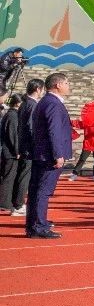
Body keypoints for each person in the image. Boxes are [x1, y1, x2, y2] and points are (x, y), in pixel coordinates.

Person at [26, 72, 73, 239]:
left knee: (37, 190)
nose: (68, 86)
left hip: (42, 153)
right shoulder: (53, 103)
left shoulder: (46, 101)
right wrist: (58, 154)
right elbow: (54, 131)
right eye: (67, 83)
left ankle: (35, 223)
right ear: (58, 85)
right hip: (48, 155)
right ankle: (39, 226)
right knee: (43, 191)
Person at [8, 80, 43, 215]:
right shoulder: (31, 104)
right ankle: (18, 205)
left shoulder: (25, 104)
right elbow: (30, 127)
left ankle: (16, 203)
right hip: (29, 147)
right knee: (24, 176)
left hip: (24, 145)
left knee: (22, 174)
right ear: (38, 89)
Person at [0, 93, 24, 212]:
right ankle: (4, 202)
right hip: (10, 153)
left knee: (9, 176)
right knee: (8, 177)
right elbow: (13, 135)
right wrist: (17, 150)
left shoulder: (11, 115)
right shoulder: (13, 116)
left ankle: (6, 201)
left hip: (8, 151)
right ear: (18, 103)